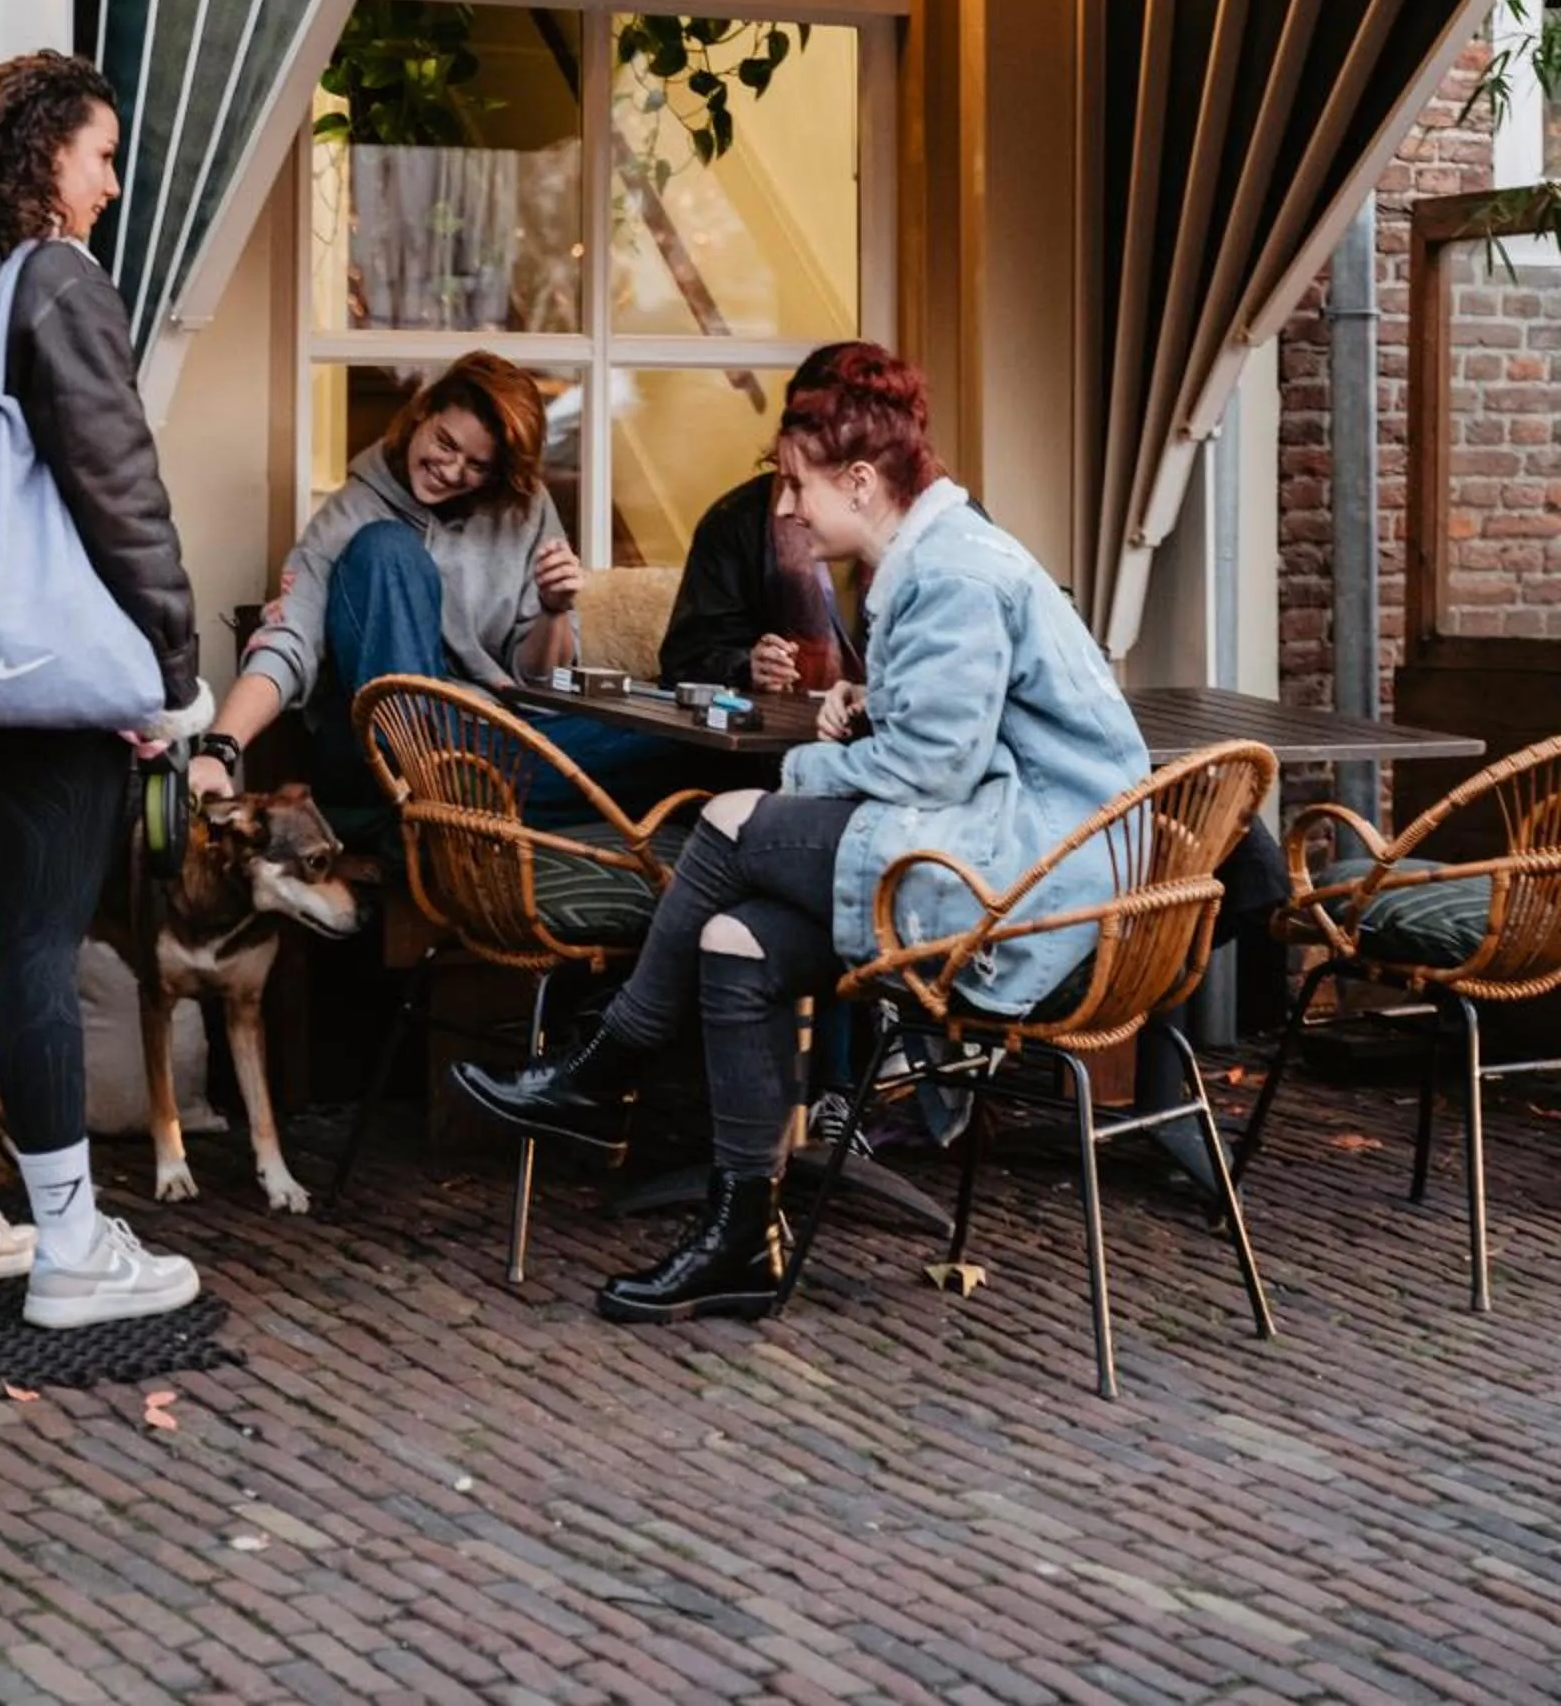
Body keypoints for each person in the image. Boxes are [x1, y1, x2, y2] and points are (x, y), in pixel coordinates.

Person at [450, 342, 1151, 1325]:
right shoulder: (933, 557)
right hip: (997, 849)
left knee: (730, 820)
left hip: (1037, 888)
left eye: (794, 487)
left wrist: (810, 763)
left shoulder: (949, 575)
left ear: (858, 481)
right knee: (733, 941)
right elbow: (952, 732)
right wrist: (868, 707)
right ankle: (741, 1239)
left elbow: (929, 771)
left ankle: (603, 1066)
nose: (780, 511)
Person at [0, 49, 207, 1329]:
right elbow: (120, 491)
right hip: (52, 676)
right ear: (39, 157)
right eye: (100, 154)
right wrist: (171, 670)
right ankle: (70, 1248)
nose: (111, 182)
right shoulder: (54, 280)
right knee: (46, 944)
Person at [207, 354, 668, 822]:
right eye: (445, 443)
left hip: (487, 743)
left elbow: (536, 680)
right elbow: (289, 639)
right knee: (386, 547)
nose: (451, 470)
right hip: (378, 756)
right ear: (422, 413)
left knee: (674, 744)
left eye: (477, 465)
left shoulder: (525, 509)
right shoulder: (350, 515)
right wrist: (219, 750)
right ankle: (441, 794)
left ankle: (458, 803)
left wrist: (552, 610)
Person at [658, 345, 865, 700]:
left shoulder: (939, 538)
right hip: (772, 742)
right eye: (799, 418)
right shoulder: (735, 521)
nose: (785, 507)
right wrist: (744, 668)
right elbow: (685, 661)